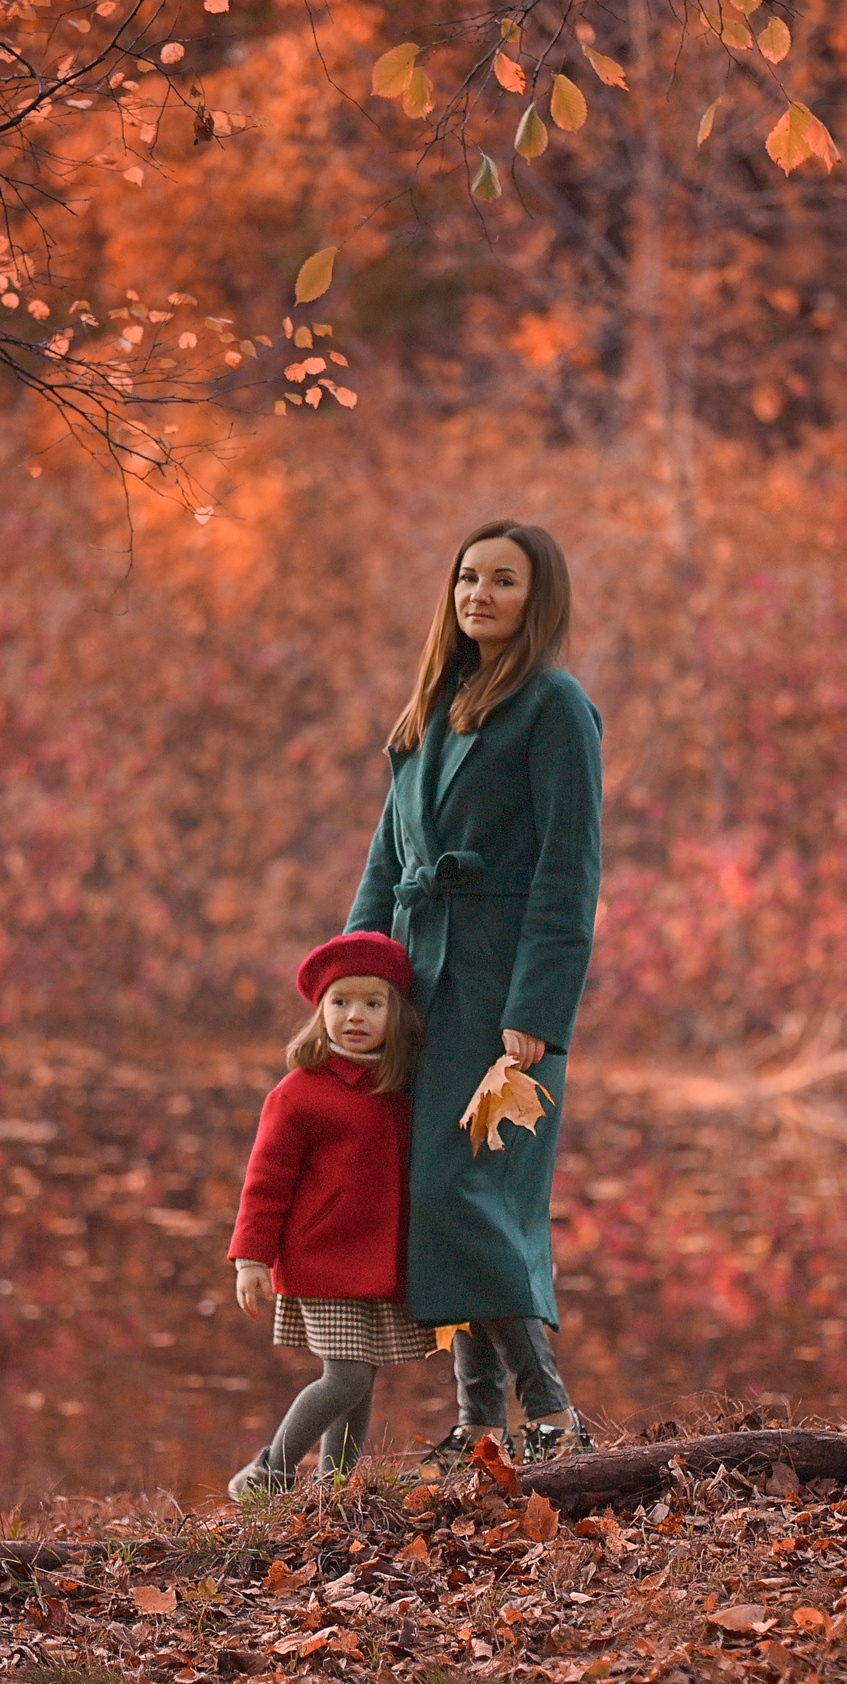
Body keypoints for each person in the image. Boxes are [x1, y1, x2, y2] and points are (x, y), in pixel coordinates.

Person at [348, 518, 602, 1464]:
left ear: (537, 598)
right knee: (434, 1196)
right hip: (420, 982)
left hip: (498, 989)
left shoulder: (555, 707)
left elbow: (569, 872)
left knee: (470, 1193)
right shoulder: (431, 704)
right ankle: (479, 1423)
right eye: (467, 577)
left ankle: (551, 1412)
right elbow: (386, 861)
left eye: (502, 580)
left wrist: (535, 1011)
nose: (478, 595)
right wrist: (355, 979)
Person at [225, 931, 434, 1497]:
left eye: (373, 1003)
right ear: (321, 1012)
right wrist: (251, 1258)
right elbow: (266, 1182)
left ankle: (332, 1488)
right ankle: (268, 1473)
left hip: (381, 1264)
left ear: (396, 1013)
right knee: (346, 1376)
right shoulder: (300, 1093)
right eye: (340, 1002)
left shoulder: (403, 1087)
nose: (355, 1016)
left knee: (360, 1380)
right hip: (323, 1259)